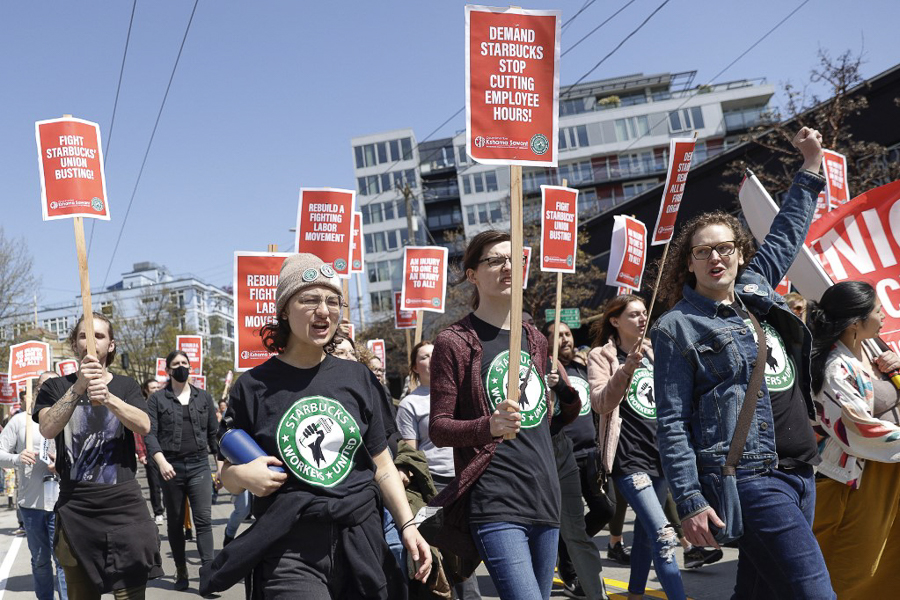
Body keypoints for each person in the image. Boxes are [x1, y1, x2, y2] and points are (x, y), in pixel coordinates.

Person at [650, 127, 835, 598]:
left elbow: (787, 234)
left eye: (725, 247)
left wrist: (811, 167)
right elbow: (671, 422)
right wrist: (690, 501)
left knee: (760, 591)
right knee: (813, 592)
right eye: (704, 250)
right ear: (688, 263)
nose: (716, 256)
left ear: (739, 254)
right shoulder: (678, 327)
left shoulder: (756, 290)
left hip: (799, 472)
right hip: (749, 477)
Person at [203, 253, 431, 599]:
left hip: (361, 540)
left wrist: (407, 525)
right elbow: (227, 474)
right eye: (309, 299)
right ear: (284, 309)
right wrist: (245, 477)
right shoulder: (252, 386)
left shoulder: (359, 378)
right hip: (290, 546)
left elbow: (382, 466)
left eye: (332, 300)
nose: (323, 310)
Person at [430, 230, 573, 600]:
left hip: (544, 495)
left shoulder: (536, 339)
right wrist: (487, 425)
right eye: (495, 260)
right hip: (495, 499)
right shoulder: (455, 341)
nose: (507, 266)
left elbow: (544, 417)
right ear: (473, 274)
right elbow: (439, 428)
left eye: (514, 259)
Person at [35, 312, 163, 599]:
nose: (90, 342)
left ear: (112, 345)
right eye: (83, 335)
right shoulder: (54, 387)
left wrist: (108, 397)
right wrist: (79, 386)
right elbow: (47, 427)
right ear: (74, 344)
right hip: (77, 509)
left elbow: (144, 425)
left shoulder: (127, 386)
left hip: (123, 507)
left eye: (99, 336)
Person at [587, 295, 687, 600]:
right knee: (664, 534)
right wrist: (625, 369)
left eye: (645, 313)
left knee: (645, 536)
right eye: (634, 314)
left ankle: (634, 595)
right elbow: (601, 401)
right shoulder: (600, 356)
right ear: (615, 321)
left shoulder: (656, 352)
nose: (643, 318)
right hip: (629, 460)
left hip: (660, 457)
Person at [809, 281, 900, 597]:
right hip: (857, 479)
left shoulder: (875, 348)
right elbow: (857, 430)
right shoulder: (836, 368)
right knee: (852, 568)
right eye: (877, 310)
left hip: (889, 472)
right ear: (855, 323)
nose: (884, 315)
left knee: (889, 561)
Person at [397, 340, 482, 600]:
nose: (432, 359)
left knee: (465, 549)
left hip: (463, 481)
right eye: (424, 356)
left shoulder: (460, 394)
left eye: (436, 354)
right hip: (432, 486)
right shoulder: (409, 405)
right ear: (415, 366)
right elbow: (410, 455)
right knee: (436, 549)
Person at [545, 321, 612, 599]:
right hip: (562, 454)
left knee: (604, 510)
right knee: (569, 522)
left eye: (567, 334)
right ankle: (572, 567)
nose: (565, 339)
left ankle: (567, 544)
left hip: (589, 454)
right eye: (557, 335)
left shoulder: (582, 368)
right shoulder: (546, 369)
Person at [145, 350, 220, 591]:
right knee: (176, 523)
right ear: (167, 370)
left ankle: (208, 574)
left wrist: (220, 467)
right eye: (176, 364)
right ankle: (181, 568)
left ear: (191, 367)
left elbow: (213, 435)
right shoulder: (157, 400)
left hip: (199, 465)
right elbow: (150, 434)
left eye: (185, 363)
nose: (181, 367)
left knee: (203, 520)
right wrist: (161, 462)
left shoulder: (204, 397)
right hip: (171, 468)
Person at [0, 370, 67, 600]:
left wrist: (62, 463)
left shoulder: (69, 418)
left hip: (63, 503)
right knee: (40, 561)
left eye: (53, 384)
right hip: (31, 505)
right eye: (42, 386)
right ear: (36, 390)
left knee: (63, 561)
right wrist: (17, 458)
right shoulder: (20, 421)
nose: (47, 389)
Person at [135, 378, 165, 525]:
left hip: (167, 450)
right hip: (150, 451)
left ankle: (170, 509)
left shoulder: (166, 403)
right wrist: (141, 452)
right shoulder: (142, 408)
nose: (156, 389)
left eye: (158, 387)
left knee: (170, 483)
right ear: (146, 390)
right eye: (153, 387)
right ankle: (158, 511)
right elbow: (138, 432)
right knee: (154, 484)